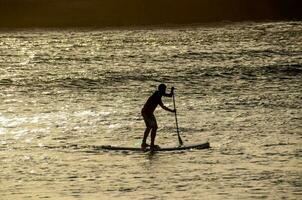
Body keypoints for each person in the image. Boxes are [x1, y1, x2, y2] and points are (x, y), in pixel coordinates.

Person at [141, 84, 176, 151]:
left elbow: (169, 96)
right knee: (152, 127)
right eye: (164, 90)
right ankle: (150, 144)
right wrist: (172, 111)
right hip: (145, 113)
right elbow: (164, 106)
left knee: (151, 127)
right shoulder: (156, 95)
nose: (165, 91)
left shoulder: (159, 95)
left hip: (150, 114)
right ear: (161, 90)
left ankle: (145, 143)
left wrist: (171, 91)